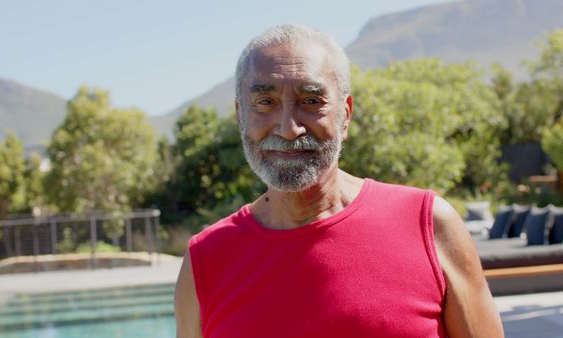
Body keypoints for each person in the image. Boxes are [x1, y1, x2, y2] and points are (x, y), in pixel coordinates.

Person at [175, 24, 504, 338]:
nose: (289, 128)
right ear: (240, 116)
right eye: (265, 102)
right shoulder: (205, 260)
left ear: (345, 114)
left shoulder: (429, 223)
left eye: (311, 101)